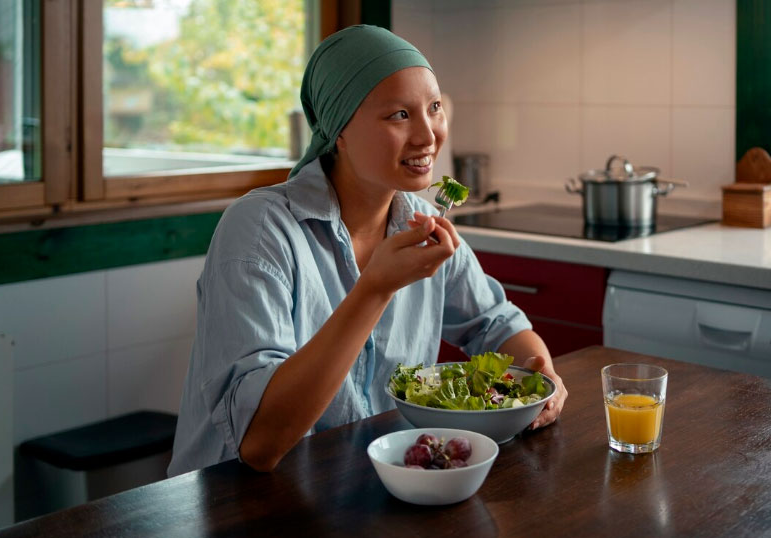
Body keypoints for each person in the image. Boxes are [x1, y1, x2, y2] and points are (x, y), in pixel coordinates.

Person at [168, 25, 567, 476]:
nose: (428, 135)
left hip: (359, 489)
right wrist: (375, 289)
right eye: (399, 115)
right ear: (338, 130)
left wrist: (543, 379)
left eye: (434, 108)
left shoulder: (417, 221)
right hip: (236, 503)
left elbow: (498, 325)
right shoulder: (261, 230)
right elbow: (260, 443)